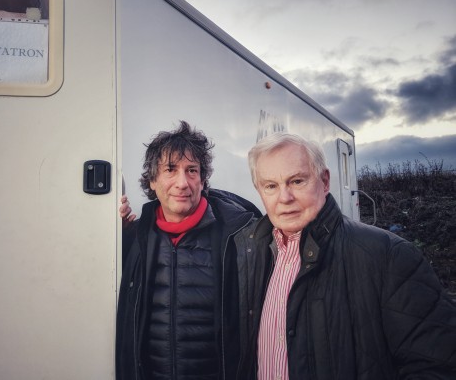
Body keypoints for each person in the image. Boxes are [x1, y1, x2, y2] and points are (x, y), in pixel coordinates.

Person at [232, 132, 456, 379]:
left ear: (325, 181)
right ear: (259, 190)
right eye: (271, 186)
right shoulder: (248, 254)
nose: (285, 198)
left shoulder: (388, 255)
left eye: (297, 181)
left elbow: (437, 366)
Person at [116, 121, 261, 380]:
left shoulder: (240, 237)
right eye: (170, 170)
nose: (182, 183)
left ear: (203, 180)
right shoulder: (135, 238)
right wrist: (115, 232)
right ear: (152, 180)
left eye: (192, 170)